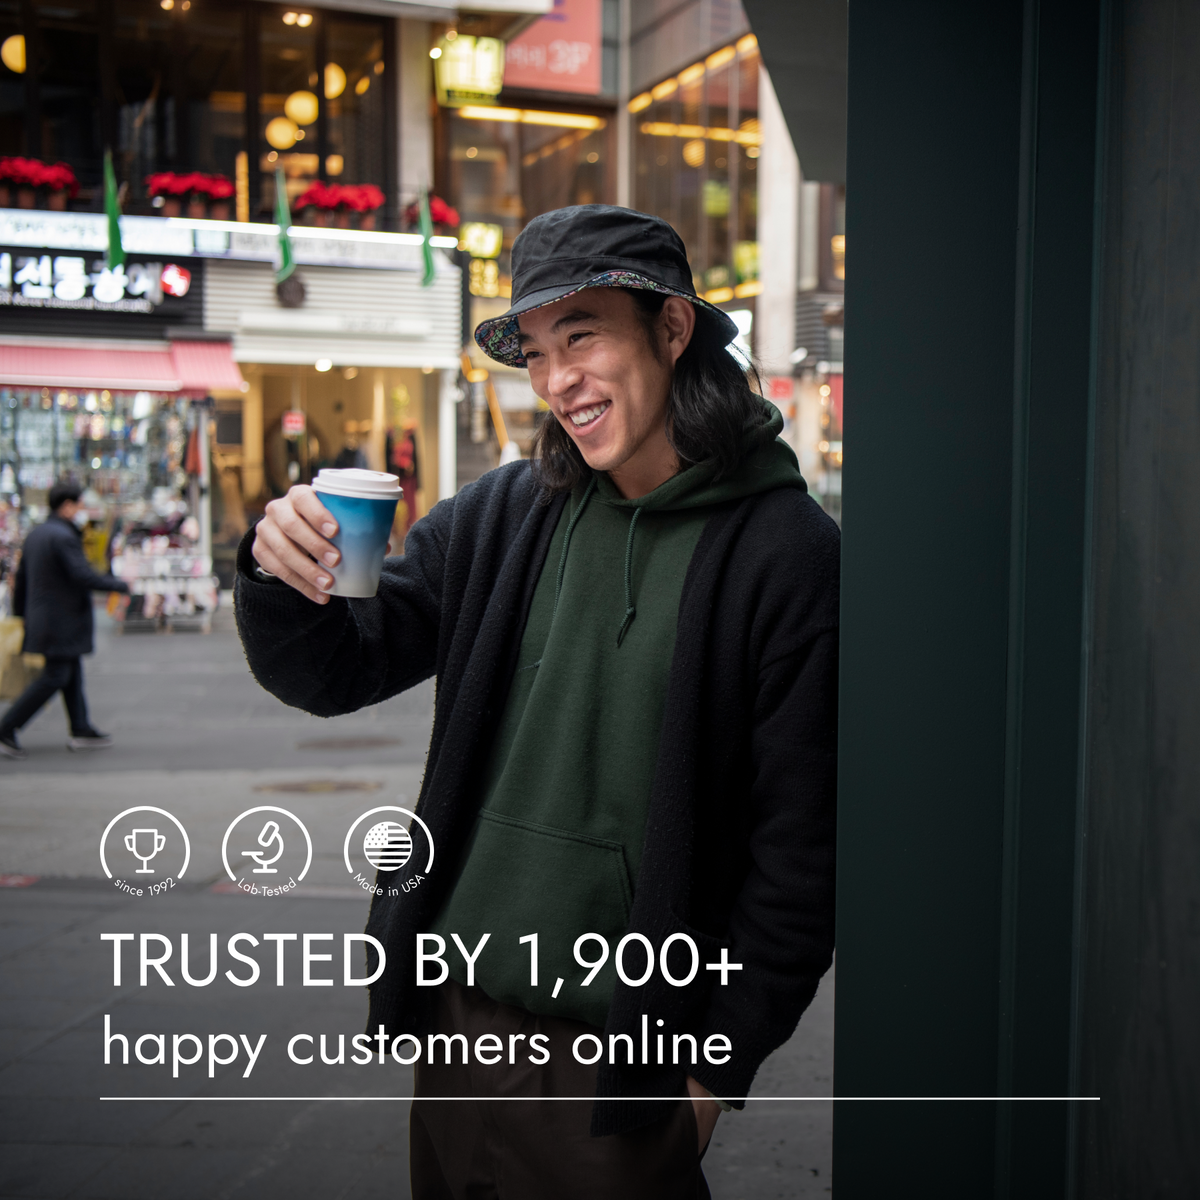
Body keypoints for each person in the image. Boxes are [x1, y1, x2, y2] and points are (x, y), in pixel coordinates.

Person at [235, 205, 839, 1198]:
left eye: (585, 334)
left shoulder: (789, 558)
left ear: (673, 329)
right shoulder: (505, 515)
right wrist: (275, 572)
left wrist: (711, 1072)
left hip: (619, 1069)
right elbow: (337, 671)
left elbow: (801, 855)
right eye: (538, 350)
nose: (558, 380)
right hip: (459, 1036)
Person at [0, 482, 130, 760]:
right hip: (60, 620)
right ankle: (6, 727)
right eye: (80, 505)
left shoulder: (37, 534)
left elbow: (21, 580)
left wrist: (21, 615)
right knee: (56, 676)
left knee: (70, 673)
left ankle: (81, 728)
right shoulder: (62, 536)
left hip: (45, 619)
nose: (82, 511)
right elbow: (81, 574)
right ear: (68, 505)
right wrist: (120, 584)